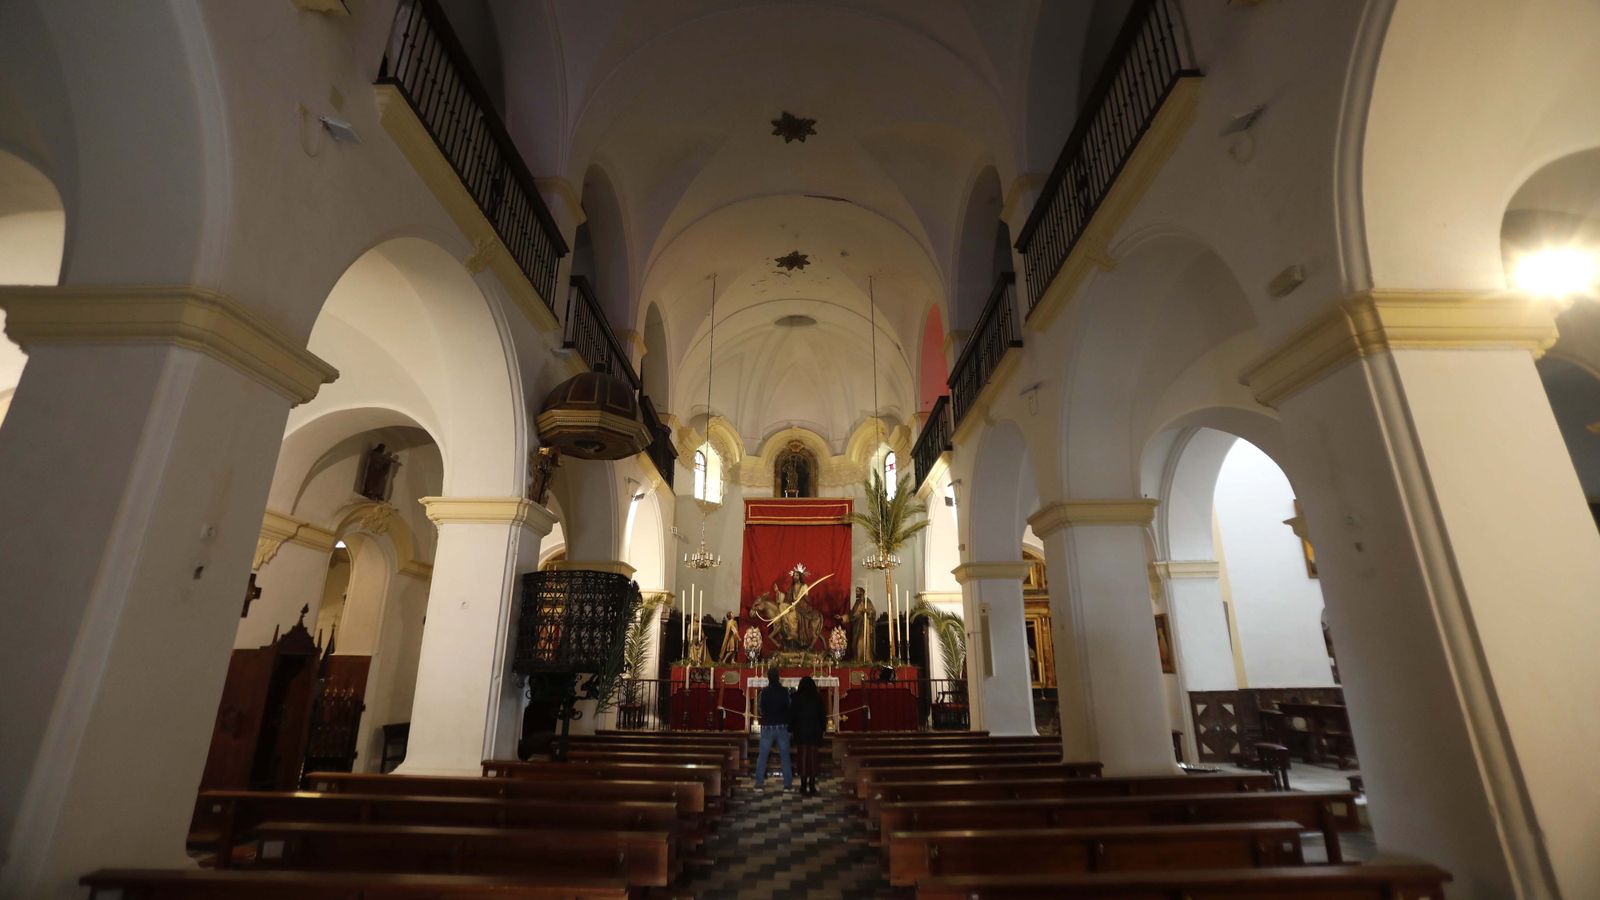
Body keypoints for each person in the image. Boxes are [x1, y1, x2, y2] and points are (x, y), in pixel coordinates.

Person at [753, 666, 793, 791]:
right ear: (778, 677)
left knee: (763, 756)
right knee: (785, 756)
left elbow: (760, 709)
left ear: (768, 678)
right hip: (781, 726)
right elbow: (789, 707)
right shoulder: (784, 691)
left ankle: (759, 784)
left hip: (767, 726)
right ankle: (787, 785)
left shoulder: (764, 692)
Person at [789, 676, 827, 795]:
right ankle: (812, 785)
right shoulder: (817, 698)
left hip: (801, 733)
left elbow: (792, 716)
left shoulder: (796, 698)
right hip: (814, 733)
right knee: (813, 759)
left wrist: (791, 729)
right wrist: (823, 728)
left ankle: (803, 785)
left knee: (802, 758)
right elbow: (822, 716)